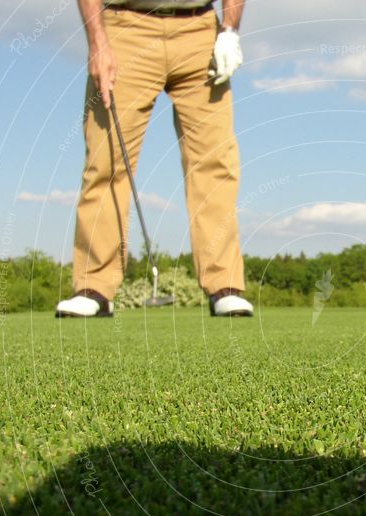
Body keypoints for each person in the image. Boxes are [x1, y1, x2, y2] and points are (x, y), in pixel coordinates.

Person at [56, 0, 253, 317]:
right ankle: (94, 288)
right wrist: (98, 40)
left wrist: (229, 31)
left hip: (200, 29)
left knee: (215, 162)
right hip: (124, 27)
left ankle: (224, 286)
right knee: (107, 162)